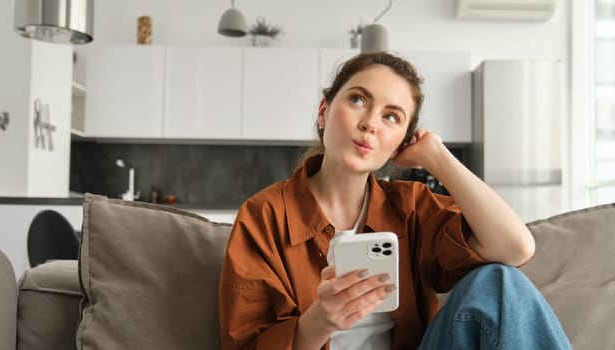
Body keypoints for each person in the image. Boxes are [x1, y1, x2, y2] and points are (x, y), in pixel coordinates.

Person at [219, 52, 571, 349]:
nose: (370, 123)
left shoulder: (412, 207)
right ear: (324, 111)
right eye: (358, 99)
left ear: (401, 140)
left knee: (498, 281)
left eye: (391, 116)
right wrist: (318, 322)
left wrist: (437, 156)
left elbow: (516, 248)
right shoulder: (262, 215)